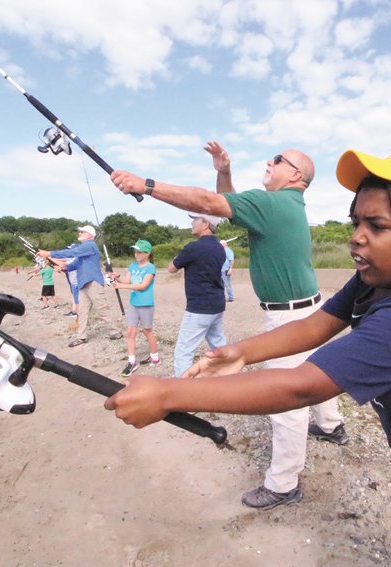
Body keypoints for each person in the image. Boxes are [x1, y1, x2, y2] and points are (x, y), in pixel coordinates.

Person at [105, 146, 391, 567]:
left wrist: (168, 395)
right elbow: (317, 325)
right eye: (356, 221)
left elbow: (301, 388)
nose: (357, 236)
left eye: (377, 225)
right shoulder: (380, 279)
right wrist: (241, 352)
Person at [110, 141, 347, 511]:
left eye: (278, 160)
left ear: (295, 175)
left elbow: (208, 204)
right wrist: (224, 171)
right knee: (318, 370)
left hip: (289, 315)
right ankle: (332, 427)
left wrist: (146, 185)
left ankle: (283, 483)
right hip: (308, 307)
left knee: (285, 402)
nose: (269, 161)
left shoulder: (273, 203)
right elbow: (230, 207)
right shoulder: (282, 206)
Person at [168, 214, 228, 377]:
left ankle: (182, 391)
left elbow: (172, 268)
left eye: (195, 220)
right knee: (218, 345)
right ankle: (229, 377)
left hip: (199, 307)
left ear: (206, 224)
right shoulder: (220, 248)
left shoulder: (193, 247)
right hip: (217, 303)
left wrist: (178, 257)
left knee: (184, 351)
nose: (192, 223)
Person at [37, 225, 111, 347]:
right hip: (83, 283)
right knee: (82, 311)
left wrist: (49, 253)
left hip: (92, 281)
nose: (79, 233)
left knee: (102, 308)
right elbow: (75, 264)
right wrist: (64, 267)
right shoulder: (84, 249)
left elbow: (72, 252)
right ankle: (81, 337)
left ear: (89, 235)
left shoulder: (89, 245)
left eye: (82, 231)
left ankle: (116, 331)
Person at [111, 239, 160, 377]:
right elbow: (128, 281)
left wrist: (121, 286)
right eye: (135, 251)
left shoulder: (150, 268)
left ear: (147, 253)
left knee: (147, 331)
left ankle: (155, 357)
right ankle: (132, 362)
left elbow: (143, 286)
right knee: (131, 332)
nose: (136, 254)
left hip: (146, 304)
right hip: (133, 304)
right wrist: (117, 278)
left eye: (139, 251)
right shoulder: (132, 266)